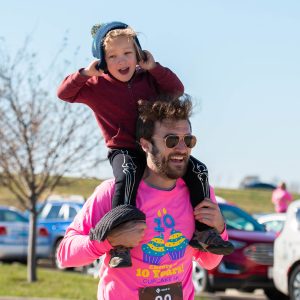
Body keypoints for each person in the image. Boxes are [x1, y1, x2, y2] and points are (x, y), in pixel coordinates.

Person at [57, 21, 232, 267]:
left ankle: (204, 232)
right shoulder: (96, 86)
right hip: (123, 149)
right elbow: (64, 93)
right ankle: (120, 245)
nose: (122, 60)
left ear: (138, 54)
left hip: (152, 146)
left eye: (128, 53)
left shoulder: (147, 79)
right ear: (102, 61)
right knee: (128, 173)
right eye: (112, 56)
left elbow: (176, 89)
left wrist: (154, 67)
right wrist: (85, 73)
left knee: (200, 170)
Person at [57, 94, 229, 299]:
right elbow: (64, 255)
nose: (182, 149)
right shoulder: (113, 192)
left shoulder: (200, 192)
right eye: (172, 140)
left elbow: (208, 261)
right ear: (145, 144)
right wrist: (107, 241)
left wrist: (220, 228)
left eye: (188, 140)